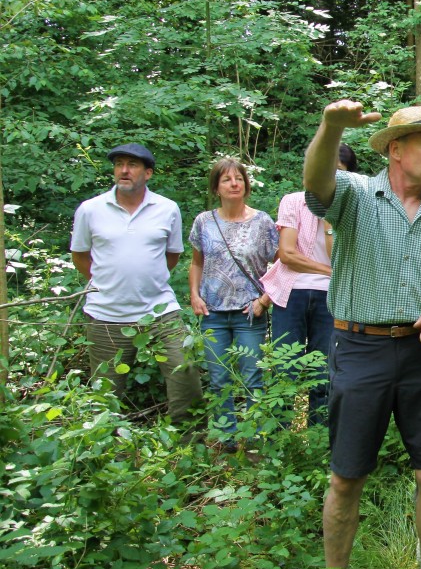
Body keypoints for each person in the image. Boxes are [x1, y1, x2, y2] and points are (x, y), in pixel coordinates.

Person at [302, 102, 421, 569]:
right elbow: (315, 185)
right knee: (347, 476)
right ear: (395, 150)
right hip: (361, 349)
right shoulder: (354, 196)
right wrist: (330, 125)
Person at [71, 142, 202, 428]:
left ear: (148, 173)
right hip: (106, 314)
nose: (124, 171)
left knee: (185, 369)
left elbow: (172, 255)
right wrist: (108, 284)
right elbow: (80, 256)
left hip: (160, 310)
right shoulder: (90, 210)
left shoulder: (167, 209)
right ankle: (108, 448)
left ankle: (189, 440)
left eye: (132, 165)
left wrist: (145, 281)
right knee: (105, 390)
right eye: (119, 164)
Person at [261, 143, 358, 428]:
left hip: (331, 296)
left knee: (323, 370)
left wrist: (329, 214)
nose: (328, 178)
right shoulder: (293, 201)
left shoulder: (350, 209)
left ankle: (318, 439)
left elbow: (338, 254)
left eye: (337, 172)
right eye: (324, 170)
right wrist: (329, 270)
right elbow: (288, 254)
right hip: (291, 292)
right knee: (283, 366)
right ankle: (281, 437)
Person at [188, 157, 278, 449]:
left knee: (253, 377)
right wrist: (194, 294)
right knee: (218, 378)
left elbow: (281, 265)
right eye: (226, 179)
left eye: (238, 178)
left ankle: (253, 439)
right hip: (212, 312)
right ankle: (227, 440)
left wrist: (264, 301)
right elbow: (196, 263)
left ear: (246, 184)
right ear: (216, 187)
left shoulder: (262, 221)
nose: (234, 183)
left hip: (249, 314)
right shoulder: (204, 221)